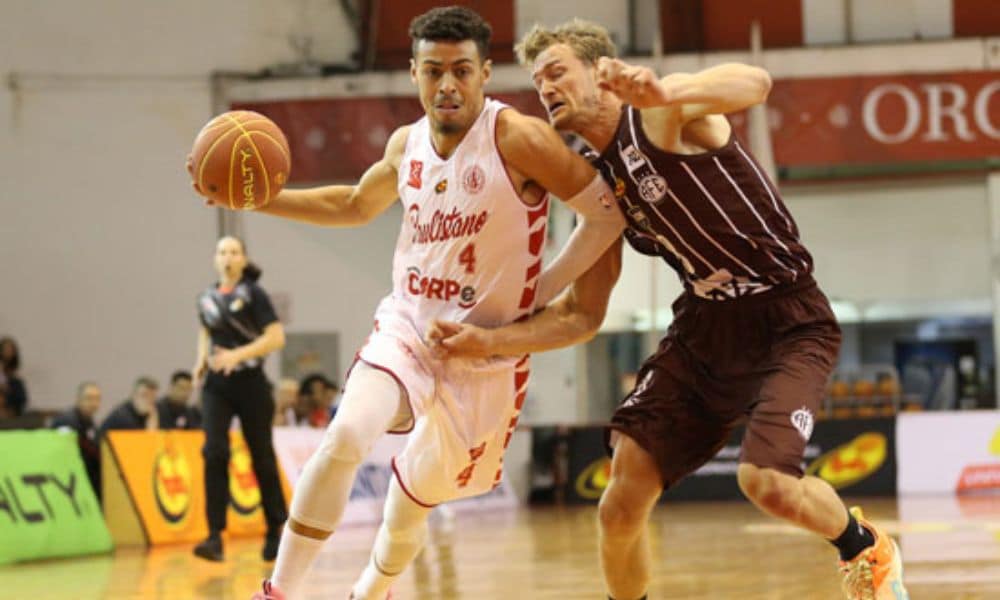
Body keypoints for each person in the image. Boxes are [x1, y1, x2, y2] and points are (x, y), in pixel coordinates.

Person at [430, 19, 906, 600]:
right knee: (620, 502)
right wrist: (506, 317)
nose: (546, 87)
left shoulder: (658, 111)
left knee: (766, 483)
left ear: (600, 74)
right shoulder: (596, 177)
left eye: (557, 72)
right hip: (706, 328)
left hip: (788, 318)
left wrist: (666, 91)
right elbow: (581, 264)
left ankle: (863, 547)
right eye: (537, 80)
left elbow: (754, 82)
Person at [187, 7, 623, 598]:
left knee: (414, 500)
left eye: (462, 71)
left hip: (486, 359)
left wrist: (540, 288)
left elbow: (604, 212)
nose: (448, 85)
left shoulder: (518, 139)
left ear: (485, 74)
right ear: (415, 74)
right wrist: (260, 200)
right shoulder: (406, 143)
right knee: (346, 435)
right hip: (408, 328)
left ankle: (373, 588)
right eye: (434, 71)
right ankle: (280, 590)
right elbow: (353, 205)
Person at [191, 236, 289, 563]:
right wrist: (201, 360)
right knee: (214, 451)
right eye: (222, 252)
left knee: (261, 455)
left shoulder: (254, 294)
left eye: (234, 252)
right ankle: (214, 535)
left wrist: (238, 355)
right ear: (214, 259)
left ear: (244, 260)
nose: (227, 257)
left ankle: (275, 528)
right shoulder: (205, 298)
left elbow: (276, 337)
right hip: (217, 385)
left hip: (251, 383)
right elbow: (206, 330)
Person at [52, 381, 103, 499]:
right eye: (89, 398)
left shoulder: (89, 421)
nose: (94, 403)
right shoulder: (67, 421)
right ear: (78, 399)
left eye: (97, 399)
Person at [0, 336, 29, 417]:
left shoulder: (15, 378)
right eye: (6, 349)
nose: (9, 352)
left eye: (11, 349)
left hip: (10, 400)